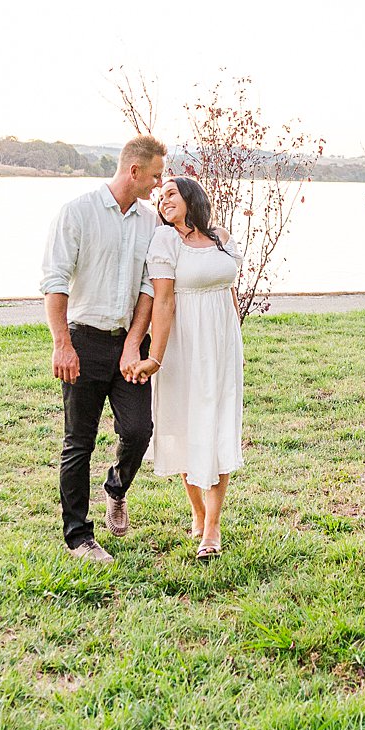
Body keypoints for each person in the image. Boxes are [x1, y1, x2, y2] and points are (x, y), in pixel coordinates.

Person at [39, 135, 166, 562]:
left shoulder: (151, 224)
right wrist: (63, 344)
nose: (158, 183)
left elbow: (149, 288)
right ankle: (78, 537)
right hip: (84, 341)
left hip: (128, 344)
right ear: (134, 171)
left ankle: (117, 487)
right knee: (79, 441)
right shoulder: (78, 213)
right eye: (154, 175)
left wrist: (134, 344)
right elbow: (55, 282)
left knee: (138, 430)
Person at [131, 176, 244, 559]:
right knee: (185, 424)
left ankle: (212, 528)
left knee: (217, 425)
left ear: (192, 198)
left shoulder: (221, 238)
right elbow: (163, 302)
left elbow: (229, 289)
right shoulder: (165, 242)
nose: (164, 202)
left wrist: (231, 333)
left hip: (222, 344)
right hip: (183, 344)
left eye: (171, 194)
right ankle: (198, 512)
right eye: (160, 198)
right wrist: (155, 357)